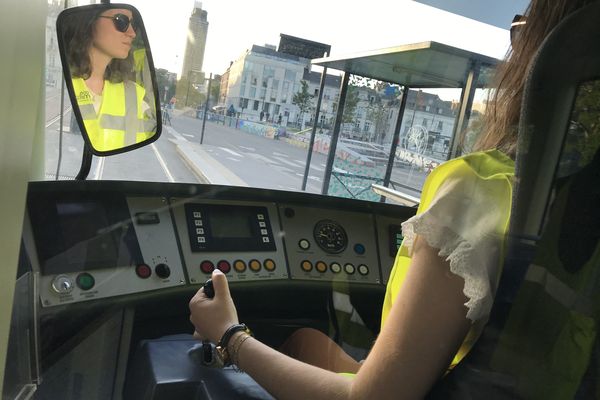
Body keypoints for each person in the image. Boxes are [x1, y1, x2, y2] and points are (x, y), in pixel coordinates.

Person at [189, 1, 595, 398]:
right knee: (306, 340)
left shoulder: (479, 189)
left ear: (549, 54)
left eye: (520, 31)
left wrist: (229, 335)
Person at [64, 6, 156, 152]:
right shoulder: (62, 86)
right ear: (90, 22)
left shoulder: (136, 96)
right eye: (121, 21)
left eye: (134, 25)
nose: (132, 33)